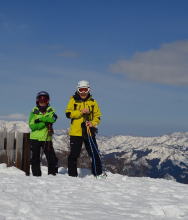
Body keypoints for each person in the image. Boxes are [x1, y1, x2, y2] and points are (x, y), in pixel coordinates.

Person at [65, 80, 103, 177]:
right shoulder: (73, 100)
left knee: (94, 153)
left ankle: (97, 174)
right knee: (74, 155)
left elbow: (97, 116)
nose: (83, 92)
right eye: (81, 90)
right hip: (76, 132)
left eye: (85, 90)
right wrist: (80, 112)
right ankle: (72, 176)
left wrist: (93, 123)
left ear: (88, 90)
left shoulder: (93, 102)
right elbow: (68, 114)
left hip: (89, 131)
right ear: (78, 90)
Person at [29, 91, 58, 176]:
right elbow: (32, 126)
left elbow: (53, 119)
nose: (42, 102)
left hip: (47, 138)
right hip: (35, 138)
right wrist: (45, 122)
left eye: (44, 100)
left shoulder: (51, 110)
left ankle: (52, 175)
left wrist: (40, 120)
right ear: (37, 101)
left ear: (48, 101)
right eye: (40, 100)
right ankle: (36, 175)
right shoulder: (34, 111)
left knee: (52, 158)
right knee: (35, 158)